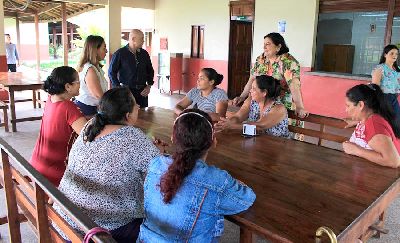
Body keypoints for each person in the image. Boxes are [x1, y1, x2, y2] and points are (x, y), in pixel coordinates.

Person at [54, 87, 160, 242]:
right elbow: (162, 173)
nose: (138, 106)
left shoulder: (91, 125)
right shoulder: (133, 136)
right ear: (127, 115)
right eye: (135, 104)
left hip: (66, 219)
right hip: (98, 231)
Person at [139, 109, 256, 242]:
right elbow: (246, 199)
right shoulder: (217, 180)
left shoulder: (155, 164)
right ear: (213, 142)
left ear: (172, 138)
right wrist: (234, 182)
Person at [30, 66, 87, 186]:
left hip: (37, 163)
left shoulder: (51, 99)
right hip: (56, 171)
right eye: (78, 82)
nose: (80, 85)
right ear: (67, 86)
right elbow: (88, 136)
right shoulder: (68, 107)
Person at [232, 32, 308, 118]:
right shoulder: (261, 59)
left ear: (278, 47)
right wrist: (242, 97)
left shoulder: (288, 62)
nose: (264, 47)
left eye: (268, 44)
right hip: (260, 103)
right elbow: (252, 79)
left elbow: (294, 85)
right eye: (264, 44)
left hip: (280, 105)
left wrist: (300, 106)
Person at [342, 84, 400, 168]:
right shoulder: (368, 119)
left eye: (348, 105)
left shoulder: (374, 125)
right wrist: (356, 121)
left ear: (361, 105)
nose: (346, 110)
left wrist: (356, 150)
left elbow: (393, 161)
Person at [216, 75, 291, 138]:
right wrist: (227, 123)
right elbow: (238, 117)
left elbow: (260, 126)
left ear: (264, 92)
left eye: (254, 89)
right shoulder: (251, 101)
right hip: (256, 142)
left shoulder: (278, 108)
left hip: (278, 146)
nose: (250, 91)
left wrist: (233, 126)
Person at [108, 29, 154, 108]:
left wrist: (148, 86)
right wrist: (119, 89)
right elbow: (111, 72)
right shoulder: (120, 53)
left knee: (144, 117)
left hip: (143, 92)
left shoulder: (144, 53)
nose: (144, 41)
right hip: (127, 92)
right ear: (133, 39)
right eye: (142, 38)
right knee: (128, 117)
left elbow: (150, 70)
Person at [74, 35, 108, 117]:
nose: (106, 51)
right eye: (104, 48)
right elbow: (98, 95)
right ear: (95, 50)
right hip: (87, 109)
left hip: (93, 107)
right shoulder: (90, 69)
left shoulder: (96, 67)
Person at [371, 44, 400, 121]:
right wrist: (379, 102)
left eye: (396, 54)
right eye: (392, 53)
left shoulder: (398, 69)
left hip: (394, 97)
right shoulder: (380, 68)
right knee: (387, 121)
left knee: (396, 120)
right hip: (383, 97)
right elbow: (375, 87)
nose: (395, 55)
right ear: (385, 54)